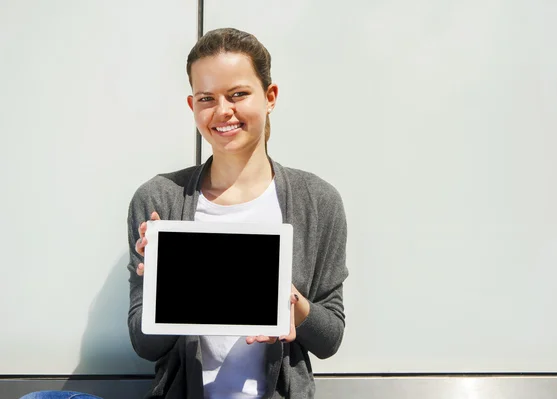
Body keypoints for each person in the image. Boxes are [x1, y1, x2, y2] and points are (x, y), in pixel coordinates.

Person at [22, 27, 348, 399]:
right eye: (207, 98)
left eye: (238, 94)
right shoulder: (159, 198)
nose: (223, 110)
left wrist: (290, 303)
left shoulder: (317, 201)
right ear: (192, 106)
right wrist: (167, 284)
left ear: (270, 97)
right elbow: (146, 347)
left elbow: (330, 336)